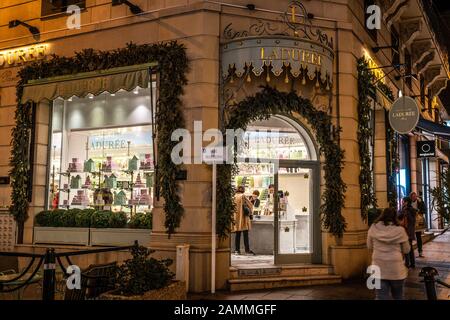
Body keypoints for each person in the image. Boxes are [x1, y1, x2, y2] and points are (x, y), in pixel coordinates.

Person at [367, 207, 411, 300]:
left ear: (382, 215)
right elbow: (407, 250)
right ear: (395, 217)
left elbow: (369, 246)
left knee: (380, 297)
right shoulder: (400, 230)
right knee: (398, 296)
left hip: (378, 268)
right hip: (396, 269)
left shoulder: (373, 228)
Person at [232, 186, 255, 255]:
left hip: (236, 217)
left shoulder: (234, 196)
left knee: (238, 234)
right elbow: (250, 205)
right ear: (243, 190)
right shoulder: (243, 196)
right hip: (243, 217)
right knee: (245, 234)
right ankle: (247, 250)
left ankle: (237, 250)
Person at [398, 197, 416, 268]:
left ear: (407, 202)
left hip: (408, 231)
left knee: (408, 247)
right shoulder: (403, 209)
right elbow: (398, 216)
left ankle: (408, 263)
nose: (402, 202)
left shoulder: (411, 210)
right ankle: (411, 263)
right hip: (405, 230)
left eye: (403, 201)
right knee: (409, 247)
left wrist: (406, 212)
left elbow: (412, 221)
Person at [410, 191, 426, 258]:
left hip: (418, 222)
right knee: (410, 238)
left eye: (415, 196)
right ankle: (411, 253)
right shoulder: (409, 203)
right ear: (411, 197)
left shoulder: (420, 202)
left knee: (418, 237)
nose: (414, 197)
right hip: (411, 222)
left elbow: (424, 210)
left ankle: (420, 252)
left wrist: (418, 211)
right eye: (413, 196)